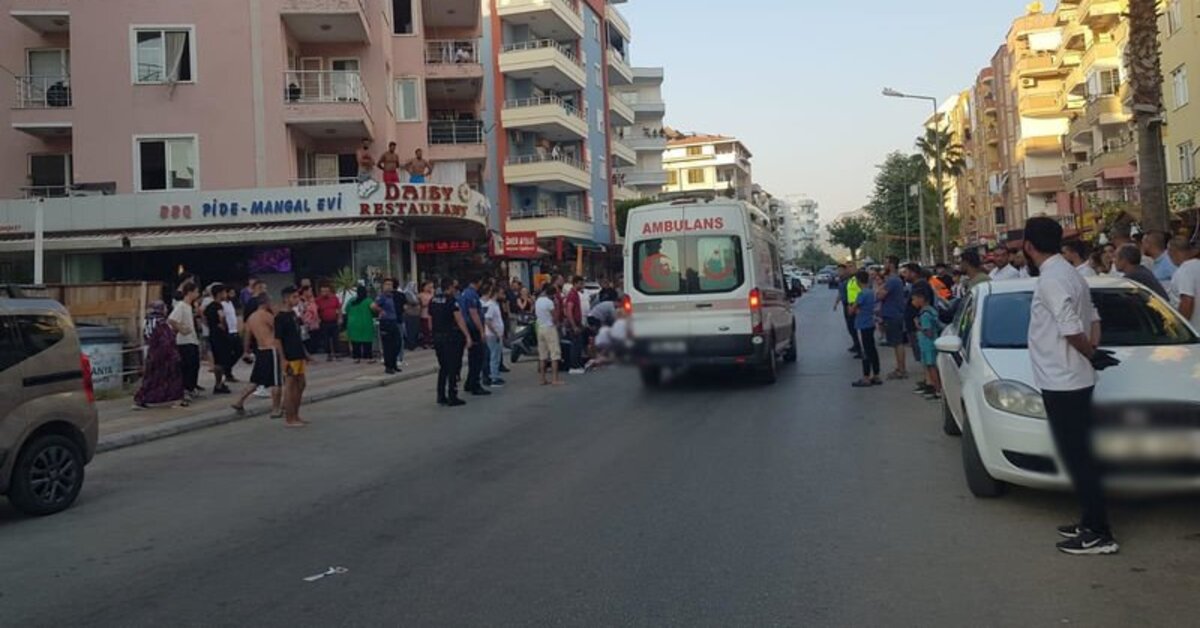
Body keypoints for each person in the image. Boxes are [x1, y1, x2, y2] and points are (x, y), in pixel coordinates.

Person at [1024, 216, 1118, 555]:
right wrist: (1090, 353)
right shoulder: (1071, 274)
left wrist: (1090, 354)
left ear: (1028, 246)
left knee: (1077, 457)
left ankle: (1098, 532)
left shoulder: (1052, 278)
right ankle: (1089, 520)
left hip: (1062, 381)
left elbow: (1069, 328)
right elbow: (1093, 318)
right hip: (1073, 376)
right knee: (1079, 454)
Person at [232, 296, 283, 419]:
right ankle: (276, 409)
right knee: (276, 381)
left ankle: (239, 401)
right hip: (271, 349)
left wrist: (246, 351)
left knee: (256, 380)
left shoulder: (251, 318)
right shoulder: (266, 315)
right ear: (265, 303)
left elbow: (247, 336)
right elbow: (278, 331)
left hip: (260, 350)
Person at [133, 301, 186, 409]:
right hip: (163, 353)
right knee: (168, 377)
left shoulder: (147, 320)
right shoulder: (161, 322)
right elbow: (165, 340)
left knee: (150, 377)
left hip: (150, 351)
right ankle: (172, 399)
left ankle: (143, 398)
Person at [431, 278, 471, 406]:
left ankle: (441, 395)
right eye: (454, 287)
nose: (456, 289)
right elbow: (459, 320)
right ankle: (452, 396)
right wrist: (467, 336)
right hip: (450, 337)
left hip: (437, 337)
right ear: (449, 288)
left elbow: (430, 319)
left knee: (443, 367)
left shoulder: (433, 300)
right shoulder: (451, 300)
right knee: (453, 367)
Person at [275, 287, 309, 428]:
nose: (297, 299)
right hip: (289, 356)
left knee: (301, 384)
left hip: (298, 354)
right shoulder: (280, 317)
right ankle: (290, 417)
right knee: (290, 387)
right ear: (286, 298)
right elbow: (278, 340)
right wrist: (283, 359)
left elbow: (298, 336)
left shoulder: (294, 315)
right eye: (294, 297)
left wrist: (305, 353)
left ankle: (296, 414)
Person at [169, 282, 202, 400]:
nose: (198, 294)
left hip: (192, 339)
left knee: (194, 365)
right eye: (196, 291)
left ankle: (191, 387)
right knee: (187, 366)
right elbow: (172, 319)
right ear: (190, 292)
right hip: (184, 341)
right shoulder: (181, 305)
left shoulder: (190, 306)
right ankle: (185, 389)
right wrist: (181, 329)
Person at [877, 256, 908, 379]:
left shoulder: (892, 280)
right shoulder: (893, 280)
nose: (884, 265)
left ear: (891, 265)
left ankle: (901, 370)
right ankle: (900, 367)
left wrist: (880, 289)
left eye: (885, 262)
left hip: (893, 315)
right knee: (896, 343)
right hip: (893, 313)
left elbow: (880, 296)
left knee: (897, 343)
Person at [458, 276, 490, 395]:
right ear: (479, 282)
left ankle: (469, 382)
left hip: (467, 327)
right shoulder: (472, 295)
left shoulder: (464, 293)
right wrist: (481, 330)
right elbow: (474, 313)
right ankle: (475, 384)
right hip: (473, 328)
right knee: (477, 357)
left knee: (473, 357)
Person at [912, 283, 942, 401]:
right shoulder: (932, 310)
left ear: (921, 299)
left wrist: (918, 326)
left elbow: (928, 332)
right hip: (932, 343)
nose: (913, 301)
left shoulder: (924, 314)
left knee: (931, 367)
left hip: (928, 345)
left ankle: (937, 390)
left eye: (914, 299)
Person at [851, 270, 881, 388]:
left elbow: (852, 309)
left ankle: (866, 377)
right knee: (872, 349)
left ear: (858, 281)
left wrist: (853, 307)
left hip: (862, 324)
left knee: (865, 351)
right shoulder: (871, 293)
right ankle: (876, 374)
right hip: (870, 323)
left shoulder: (862, 294)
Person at [203, 284, 234, 395]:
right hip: (220, 336)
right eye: (224, 292)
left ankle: (219, 383)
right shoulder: (218, 306)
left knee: (217, 359)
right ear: (220, 293)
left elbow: (204, 318)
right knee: (221, 360)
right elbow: (222, 317)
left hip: (212, 334)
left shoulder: (208, 307)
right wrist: (222, 325)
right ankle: (219, 384)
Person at [1167, 236, 1200, 329]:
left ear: (1172, 252)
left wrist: (1181, 328)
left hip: (1193, 330)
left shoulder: (1185, 270)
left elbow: (1187, 301)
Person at [535, 283, 564, 386]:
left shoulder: (538, 300)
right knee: (554, 354)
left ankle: (542, 379)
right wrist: (557, 305)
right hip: (549, 328)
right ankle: (555, 379)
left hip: (540, 327)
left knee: (542, 355)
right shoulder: (549, 302)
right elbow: (555, 317)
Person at [372, 278, 402, 375]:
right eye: (387, 284)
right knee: (388, 345)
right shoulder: (382, 297)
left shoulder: (392, 296)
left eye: (390, 284)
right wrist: (380, 311)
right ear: (383, 286)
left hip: (394, 321)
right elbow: (373, 306)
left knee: (397, 343)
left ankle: (394, 364)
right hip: (386, 322)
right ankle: (388, 366)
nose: (389, 286)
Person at [833, 264, 862, 358]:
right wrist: (836, 303)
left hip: (852, 305)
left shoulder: (851, 280)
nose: (839, 272)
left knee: (853, 327)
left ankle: (859, 349)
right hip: (846, 305)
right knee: (850, 327)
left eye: (841, 270)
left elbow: (858, 291)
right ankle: (855, 344)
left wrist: (855, 305)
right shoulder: (841, 280)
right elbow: (840, 293)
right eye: (838, 270)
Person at [563, 275, 588, 375]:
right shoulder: (572, 295)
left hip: (577, 322)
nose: (582, 285)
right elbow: (569, 310)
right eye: (581, 283)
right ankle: (574, 366)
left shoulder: (575, 294)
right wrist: (574, 325)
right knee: (575, 345)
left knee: (578, 344)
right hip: (574, 323)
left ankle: (577, 364)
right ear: (576, 283)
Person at [345, 286, 376, 363]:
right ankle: (368, 357)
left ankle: (356, 358)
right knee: (367, 341)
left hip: (353, 324)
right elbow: (374, 309)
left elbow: (346, 310)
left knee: (355, 341)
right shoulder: (368, 301)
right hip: (365, 323)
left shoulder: (351, 301)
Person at [483, 284, 506, 388]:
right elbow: (487, 320)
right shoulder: (491, 305)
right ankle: (494, 378)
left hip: (496, 333)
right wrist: (495, 332)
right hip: (493, 335)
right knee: (494, 356)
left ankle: (495, 375)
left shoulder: (495, 304)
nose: (503, 295)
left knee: (496, 355)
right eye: (501, 293)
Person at [314, 284, 342, 360]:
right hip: (324, 322)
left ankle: (337, 354)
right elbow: (315, 310)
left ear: (329, 291)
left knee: (335, 338)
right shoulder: (318, 300)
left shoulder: (334, 298)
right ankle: (329, 354)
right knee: (326, 339)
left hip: (333, 321)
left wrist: (340, 318)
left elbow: (339, 309)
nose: (324, 293)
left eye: (326, 291)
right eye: (323, 291)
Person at [222, 286, 241, 382]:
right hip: (228, 332)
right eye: (231, 293)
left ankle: (227, 368)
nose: (233, 295)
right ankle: (227, 371)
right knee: (229, 353)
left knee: (239, 351)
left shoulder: (231, 303)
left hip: (235, 330)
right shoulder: (223, 304)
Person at [419, 280, 435, 349]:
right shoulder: (421, 295)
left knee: (431, 328)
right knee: (425, 329)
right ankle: (425, 342)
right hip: (424, 313)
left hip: (431, 314)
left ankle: (431, 341)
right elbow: (423, 304)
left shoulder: (432, 294)